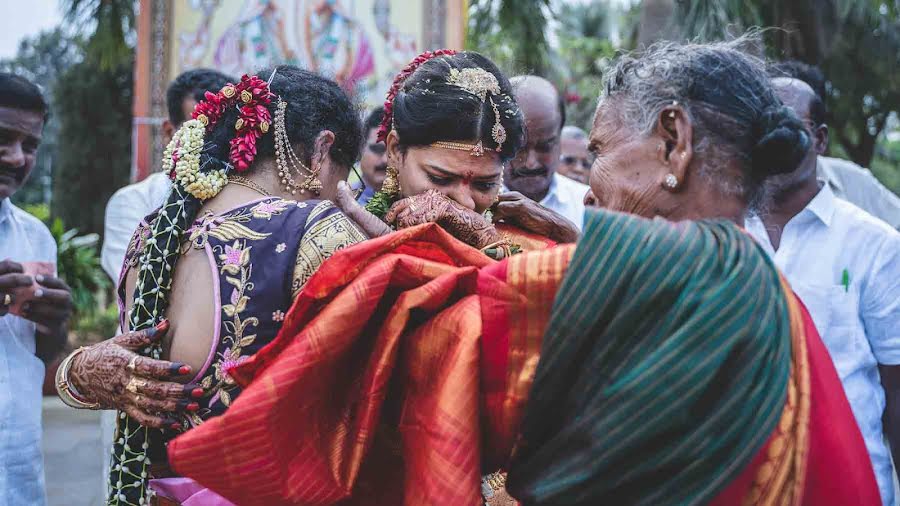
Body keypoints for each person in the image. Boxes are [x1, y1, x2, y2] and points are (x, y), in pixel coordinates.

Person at [164, 39, 879, 505]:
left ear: (674, 141)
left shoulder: (666, 278)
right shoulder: (763, 289)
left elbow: (444, 338)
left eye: (594, 149)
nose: (586, 186)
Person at [56, 66, 368, 506]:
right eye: (344, 177)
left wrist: (74, 374)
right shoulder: (316, 228)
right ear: (322, 151)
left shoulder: (153, 231)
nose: (341, 194)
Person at [745, 76, 900, 506]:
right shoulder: (725, 235)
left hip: (849, 483)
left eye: (788, 126)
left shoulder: (875, 245)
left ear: (821, 140)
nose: (774, 140)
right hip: (751, 484)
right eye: (762, 127)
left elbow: (896, 388)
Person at [334, 50, 580, 251]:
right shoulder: (341, 241)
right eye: (441, 178)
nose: (464, 203)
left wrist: (567, 235)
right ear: (396, 151)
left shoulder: (530, 248)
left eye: (484, 184)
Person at [0, 72, 73, 505]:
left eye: (30, 146)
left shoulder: (36, 237)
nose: (15, 158)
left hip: (17, 472)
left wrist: (54, 327)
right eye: (3, 138)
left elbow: (38, 355)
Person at [101, 69, 234, 281]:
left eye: (225, 133)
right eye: (201, 132)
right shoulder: (132, 203)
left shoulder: (246, 199)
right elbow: (136, 287)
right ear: (169, 133)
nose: (216, 146)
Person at [773, 60, 900, 229]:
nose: (781, 134)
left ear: (819, 136)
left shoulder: (855, 182)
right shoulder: (738, 197)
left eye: (793, 122)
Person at [503, 75, 589, 229]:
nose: (530, 163)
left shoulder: (587, 206)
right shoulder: (472, 204)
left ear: (559, 138)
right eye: (519, 149)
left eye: (544, 147)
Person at [355, 106, 386, 206]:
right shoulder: (343, 204)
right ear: (360, 149)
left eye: (392, 153)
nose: (385, 160)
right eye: (377, 149)